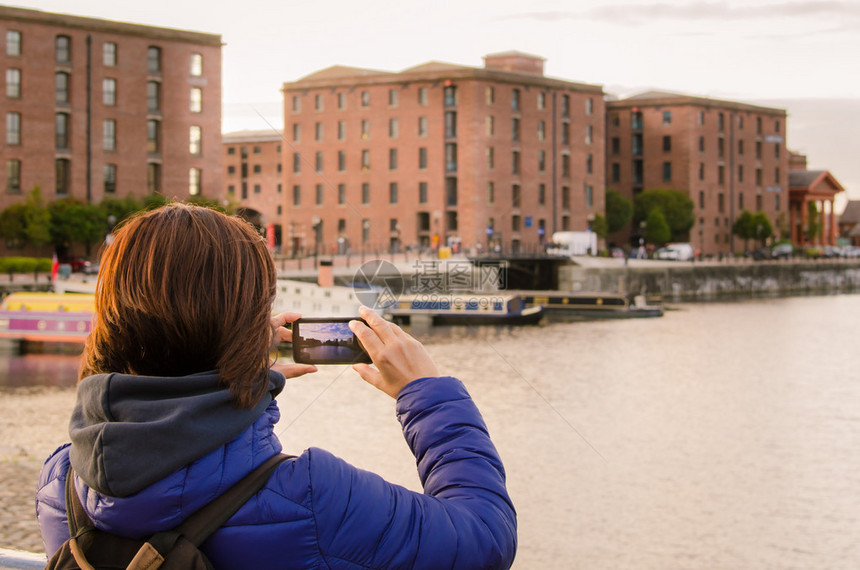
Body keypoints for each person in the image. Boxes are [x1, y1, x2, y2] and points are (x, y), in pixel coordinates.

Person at [35, 203, 516, 569]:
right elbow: (484, 537)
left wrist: (230, 388)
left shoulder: (61, 481)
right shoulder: (311, 497)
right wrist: (427, 393)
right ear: (245, 324)